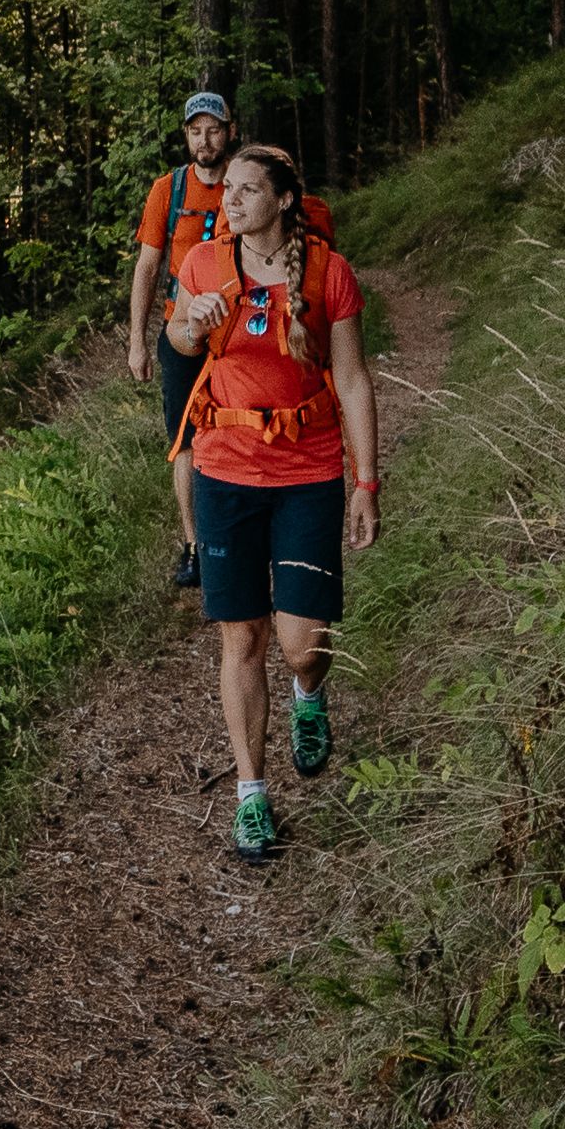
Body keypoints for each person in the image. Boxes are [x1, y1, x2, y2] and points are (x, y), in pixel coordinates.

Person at [159, 142, 375, 861]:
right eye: (231, 192)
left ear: (284, 200)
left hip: (309, 471)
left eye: (250, 191)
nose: (234, 201)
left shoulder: (327, 272)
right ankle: (252, 795)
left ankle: (309, 697)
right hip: (225, 470)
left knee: (301, 644)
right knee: (241, 636)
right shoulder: (203, 264)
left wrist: (366, 481)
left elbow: (353, 381)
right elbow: (180, 339)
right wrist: (195, 319)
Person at [124, 91, 246, 585]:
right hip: (183, 335)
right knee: (187, 441)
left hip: (242, 334)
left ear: (229, 131)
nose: (205, 139)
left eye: (213, 129)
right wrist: (137, 339)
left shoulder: (246, 183)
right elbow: (148, 266)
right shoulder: (168, 190)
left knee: (241, 431)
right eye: (195, 131)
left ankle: (240, 535)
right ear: (186, 136)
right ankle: (196, 547)